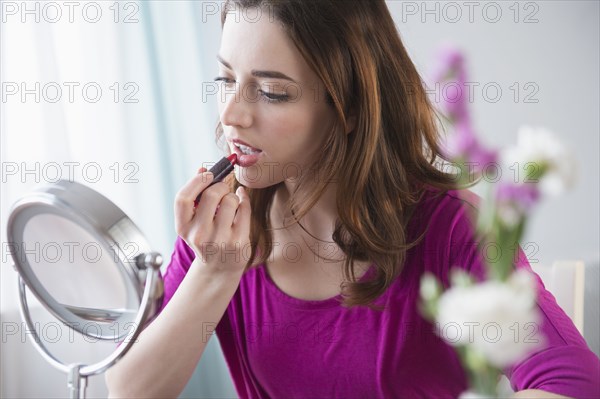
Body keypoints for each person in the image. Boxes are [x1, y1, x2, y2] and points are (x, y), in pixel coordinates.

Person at [105, 1, 600, 397]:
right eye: (227, 80)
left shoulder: (450, 228)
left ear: (349, 106)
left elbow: (573, 382)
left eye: (272, 92)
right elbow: (129, 391)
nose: (232, 115)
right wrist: (213, 273)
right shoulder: (220, 230)